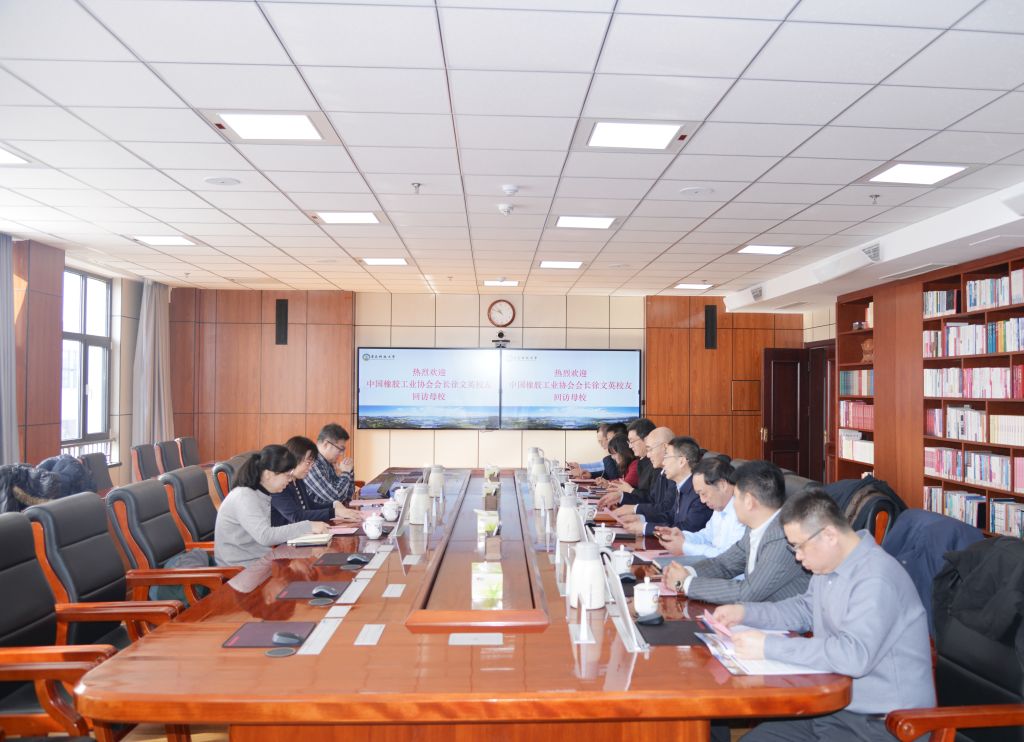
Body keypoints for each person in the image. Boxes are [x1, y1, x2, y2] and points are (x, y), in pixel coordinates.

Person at [713, 488, 935, 742]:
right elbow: (802, 609)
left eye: (799, 546)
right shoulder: (829, 567)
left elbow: (853, 656)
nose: (798, 557)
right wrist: (744, 612)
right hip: (835, 704)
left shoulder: (877, 578)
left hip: (884, 723)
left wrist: (767, 647)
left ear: (829, 535)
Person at [664, 460, 809, 604]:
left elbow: (747, 593)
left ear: (749, 501)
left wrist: (686, 583)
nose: (733, 503)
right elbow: (724, 564)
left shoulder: (782, 538)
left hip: (780, 616)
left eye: (736, 497)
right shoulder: (754, 528)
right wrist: (687, 572)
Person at [214, 445, 328, 567]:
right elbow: (265, 536)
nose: (290, 480)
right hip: (241, 569)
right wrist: (308, 526)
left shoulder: (261, 494)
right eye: (287, 475)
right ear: (268, 474)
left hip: (261, 561)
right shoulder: (244, 496)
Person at [655, 455, 745, 564]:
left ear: (722, 485)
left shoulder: (744, 513)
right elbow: (707, 536)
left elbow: (727, 557)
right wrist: (682, 536)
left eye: (704, 493)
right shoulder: (720, 505)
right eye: (699, 494)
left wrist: (685, 547)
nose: (702, 500)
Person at [271, 436, 359, 526]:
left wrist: (334, 505)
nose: (310, 468)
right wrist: (334, 512)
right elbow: (296, 516)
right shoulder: (278, 485)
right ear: (294, 459)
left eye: (312, 464)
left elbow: (310, 506)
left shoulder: (298, 480)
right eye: (308, 463)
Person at [304, 423, 360, 519]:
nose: (341, 454)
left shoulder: (328, 462)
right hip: (317, 520)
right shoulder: (313, 464)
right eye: (340, 449)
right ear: (326, 444)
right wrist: (345, 473)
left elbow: (347, 497)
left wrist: (349, 472)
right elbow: (336, 497)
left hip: (331, 516)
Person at [598, 418, 655, 508]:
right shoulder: (642, 462)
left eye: (632, 441)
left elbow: (653, 501)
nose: (630, 446)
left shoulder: (649, 465)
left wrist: (629, 491)